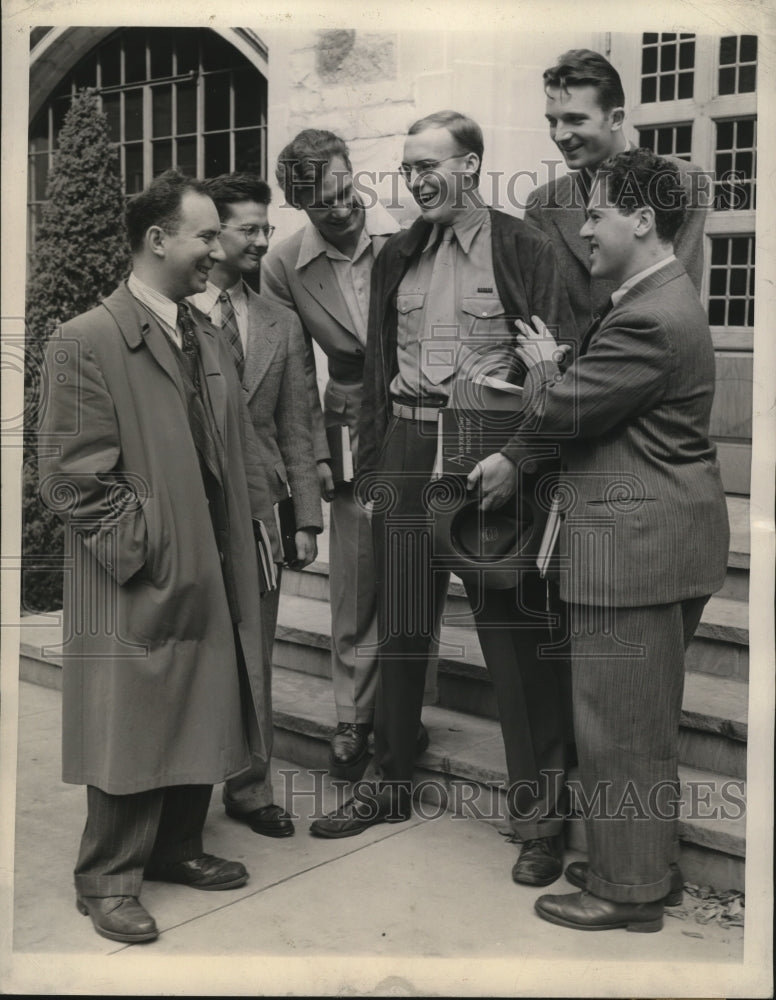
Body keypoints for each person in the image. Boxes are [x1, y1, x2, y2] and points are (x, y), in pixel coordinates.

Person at [309, 110, 577, 889]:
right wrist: (373, 467)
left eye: (430, 164)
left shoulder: (523, 246)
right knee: (399, 630)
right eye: (406, 167)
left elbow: (555, 367)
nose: (416, 179)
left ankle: (540, 821)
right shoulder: (398, 253)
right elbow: (373, 371)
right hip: (406, 447)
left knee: (513, 642)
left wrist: (524, 463)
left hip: (484, 452)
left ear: (471, 165)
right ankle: (388, 780)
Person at [37, 170, 278, 944]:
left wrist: (253, 529)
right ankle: (106, 879)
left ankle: (177, 848)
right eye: (206, 236)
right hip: (143, 572)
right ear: (157, 241)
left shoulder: (198, 329)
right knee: (131, 723)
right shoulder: (86, 339)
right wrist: (150, 553)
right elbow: (71, 481)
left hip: (210, 562)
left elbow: (231, 445)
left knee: (203, 704)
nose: (220, 248)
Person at [513, 149, 729, 931]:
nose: (584, 226)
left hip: (633, 553)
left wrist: (544, 368)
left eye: (597, 212)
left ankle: (623, 891)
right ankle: (646, 868)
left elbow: (560, 413)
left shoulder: (645, 313)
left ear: (642, 220)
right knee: (639, 725)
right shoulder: (665, 292)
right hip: (662, 540)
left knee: (616, 732)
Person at [261, 129, 436, 777]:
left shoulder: (412, 236)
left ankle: (405, 715)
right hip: (347, 419)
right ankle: (351, 718)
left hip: (419, 414)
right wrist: (315, 459)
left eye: (344, 191)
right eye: (322, 205)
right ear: (300, 208)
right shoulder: (281, 265)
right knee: (355, 576)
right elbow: (296, 375)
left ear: (352, 173)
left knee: (413, 571)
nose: (340, 209)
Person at [189, 172, 323, 838]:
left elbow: (300, 422)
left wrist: (305, 517)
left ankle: (251, 786)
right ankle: (180, 790)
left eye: (267, 228)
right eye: (250, 228)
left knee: (254, 653)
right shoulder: (176, 315)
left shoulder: (281, 322)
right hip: (193, 517)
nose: (263, 240)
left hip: (262, 516)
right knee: (190, 654)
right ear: (211, 236)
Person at [525, 48, 708, 327]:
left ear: (617, 118)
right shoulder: (541, 203)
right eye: (553, 121)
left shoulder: (683, 182)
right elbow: (539, 308)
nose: (560, 135)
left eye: (575, 119)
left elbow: (677, 295)